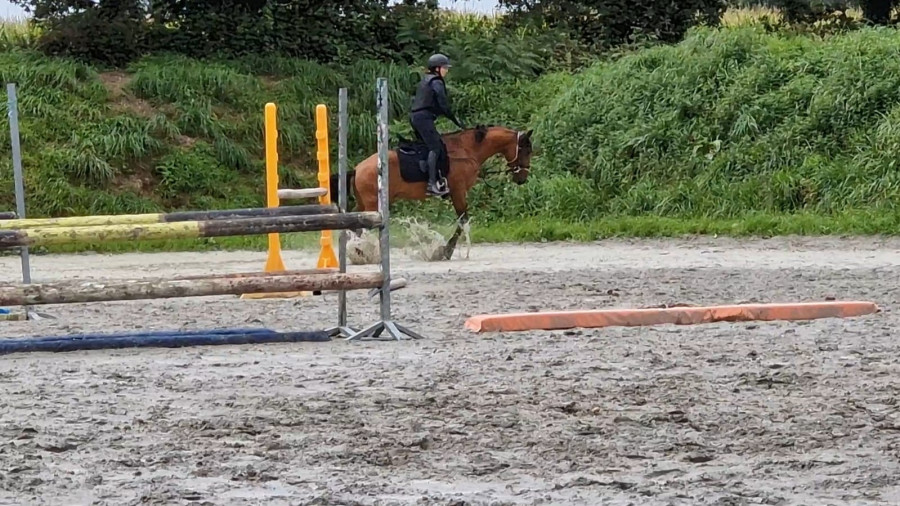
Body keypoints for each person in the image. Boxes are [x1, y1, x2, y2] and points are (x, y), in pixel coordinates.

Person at [409, 53, 465, 197]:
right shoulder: (436, 82)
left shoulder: (425, 80)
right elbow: (443, 105)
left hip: (415, 117)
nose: (446, 70)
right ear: (437, 69)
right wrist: (456, 120)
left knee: (426, 147)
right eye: (444, 68)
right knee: (436, 147)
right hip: (424, 118)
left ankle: (430, 177)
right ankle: (431, 184)